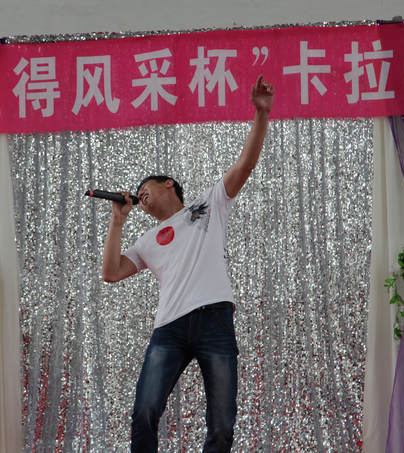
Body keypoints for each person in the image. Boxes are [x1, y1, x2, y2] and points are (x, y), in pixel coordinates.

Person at [101, 74, 274, 453]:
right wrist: (117, 221)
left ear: (167, 183)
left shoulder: (207, 205)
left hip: (215, 320)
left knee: (222, 425)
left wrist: (261, 113)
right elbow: (111, 273)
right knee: (144, 412)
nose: (140, 196)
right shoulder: (147, 239)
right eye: (137, 196)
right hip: (169, 328)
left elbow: (244, 166)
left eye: (145, 189)